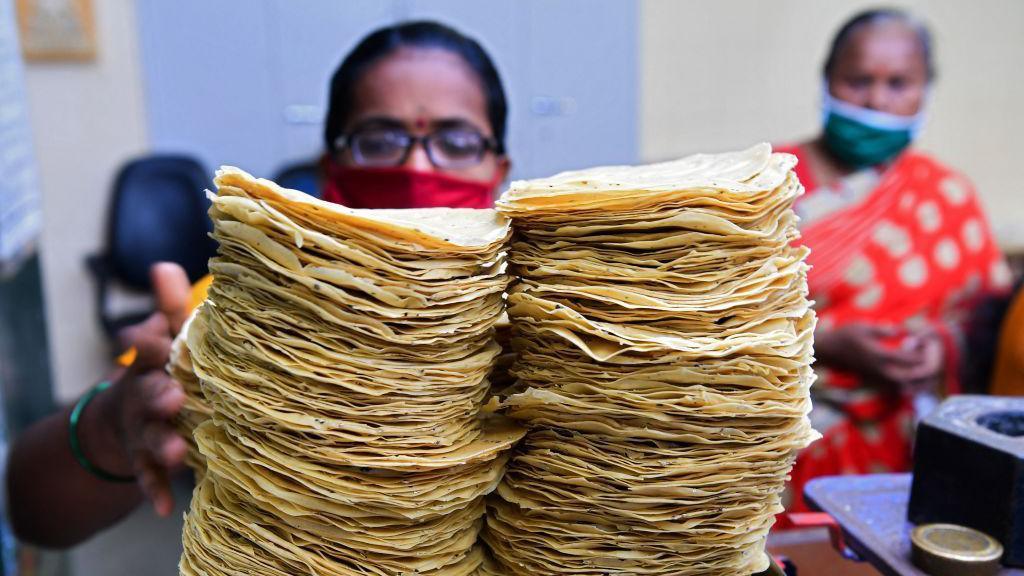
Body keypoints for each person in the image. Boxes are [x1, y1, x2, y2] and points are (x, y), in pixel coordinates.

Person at [5, 20, 512, 548]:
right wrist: (115, 424)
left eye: (456, 141)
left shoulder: (555, 320)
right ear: (331, 164)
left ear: (500, 166)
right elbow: (33, 512)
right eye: (378, 140)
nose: (415, 166)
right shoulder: (238, 311)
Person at [775, 9, 1010, 512]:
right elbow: (716, 312)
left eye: (898, 84)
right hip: (775, 443)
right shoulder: (765, 186)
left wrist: (941, 348)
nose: (877, 100)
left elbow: (988, 322)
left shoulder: (945, 196)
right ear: (827, 80)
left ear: (925, 91)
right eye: (858, 81)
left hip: (902, 456)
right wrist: (828, 341)